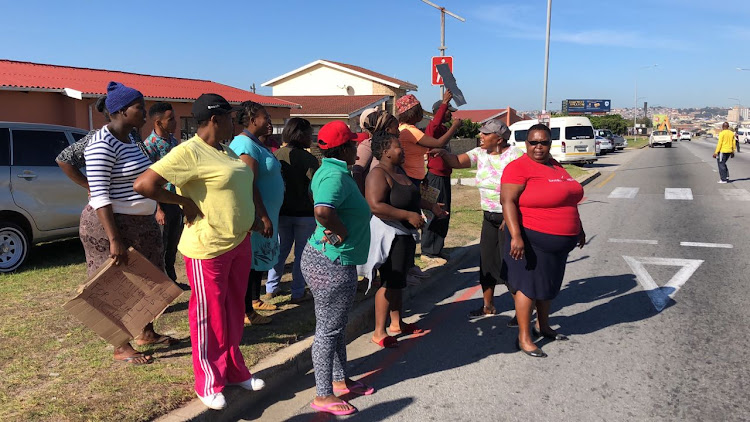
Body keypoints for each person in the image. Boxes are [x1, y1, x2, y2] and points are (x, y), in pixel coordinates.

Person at [134, 93, 265, 410]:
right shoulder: (189, 151)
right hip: (208, 248)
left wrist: (255, 216)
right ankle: (208, 381)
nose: (235, 124)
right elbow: (145, 184)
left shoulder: (224, 150)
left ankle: (234, 370)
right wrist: (183, 202)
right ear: (216, 120)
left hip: (238, 242)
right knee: (208, 317)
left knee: (233, 312)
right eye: (231, 119)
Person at [80, 82, 176, 365]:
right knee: (115, 283)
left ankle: (145, 331)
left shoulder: (130, 140)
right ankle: (121, 345)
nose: (145, 114)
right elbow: (99, 196)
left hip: (140, 222)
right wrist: (114, 239)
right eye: (140, 108)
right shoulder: (101, 144)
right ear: (121, 110)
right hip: (110, 225)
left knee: (149, 277)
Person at [301, 120, 373, 416]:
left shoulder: (332, 170)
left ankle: (340, 380)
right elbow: (322, 210)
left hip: (330, 258)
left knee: (336, 325)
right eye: (354, 142)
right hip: (331, 261)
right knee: (328, 331)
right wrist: (340, 230)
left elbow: (319, 203)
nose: (358, 146)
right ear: (345, 147)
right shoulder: (335, 175)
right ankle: (323, 394)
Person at [500, 123, 586, 358]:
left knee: (548, 286)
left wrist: (579, 227)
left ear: (550, 143)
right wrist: (516, 236)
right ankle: (524, 338)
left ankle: (543, 326)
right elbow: (507, 202)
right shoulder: (517, 168)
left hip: (560, 243)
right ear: (525, 143)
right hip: (530, 239)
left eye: (544, 142)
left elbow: (569, 199)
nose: (538, 147)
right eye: (533, 142)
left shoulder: (555, 165)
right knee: (528, 288)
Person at [431, 119, 524, 318]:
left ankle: (521, 312)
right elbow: (457, 162)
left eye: (485, 134)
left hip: (510, 218)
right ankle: (488, 306)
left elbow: (526, 186)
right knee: (487, 262)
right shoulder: (480, 153)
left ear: (498, 139)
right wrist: (444, 154)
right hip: (488, 217)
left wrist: (512, 216)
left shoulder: (516, 155)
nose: (480, 136)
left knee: (510, 264)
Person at [365, 131, 447, 348]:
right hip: (390, 236)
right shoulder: (378, 174)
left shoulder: (398, 170)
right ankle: (379, 332)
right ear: (385, 152)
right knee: (389, 281)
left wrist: (431, 207)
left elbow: (412, 197)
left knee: (399, 281)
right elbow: (375, 205)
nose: (402, 149)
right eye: (398, 146)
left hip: (405, 235)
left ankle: (396, 323)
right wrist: (408, 216)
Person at [229, 101, 284, 324]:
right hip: (257, 217)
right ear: (252, 120)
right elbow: (248, 184)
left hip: (266, 214)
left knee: (256, 261)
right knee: (249, 263)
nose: (269, 121)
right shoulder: (245, 145)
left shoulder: (256, 144)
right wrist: (261, 216)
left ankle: (252, 302)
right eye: (265, 117)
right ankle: (246, 312)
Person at [265, 118, 319, 304]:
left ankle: (271, 287)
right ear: (301, 135)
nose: (311, 137)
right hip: (305, 213)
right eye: (309, 133)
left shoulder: (275, 155)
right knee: (302, 255)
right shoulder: (309, 159)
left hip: (281, 211)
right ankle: (297, 291)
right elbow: (314, 188)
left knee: (280, 250)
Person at [143, 102, 183, 284]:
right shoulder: (149, 146)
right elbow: (148, 181)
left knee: (174, 243)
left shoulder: (174, 142)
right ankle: (162, 283)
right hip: (161, 203)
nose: (175, 122)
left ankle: (173, 279)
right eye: (171, 119)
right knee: (161, 244)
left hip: (176, 200)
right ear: (158, 122)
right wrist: (158, 209)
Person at [421, 90, 459, 264]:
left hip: (444, 176)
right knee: (433, 212)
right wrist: (444, 103)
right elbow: (433, 126)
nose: (450, 114)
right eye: (447, 111)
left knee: (444, 213)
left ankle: (437, 249)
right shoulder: (433, 128)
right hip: (434, 176)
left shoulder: (443, 129)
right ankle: (428, 251)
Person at [395, 94, 461, 186]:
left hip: (413, 176)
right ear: (414, 112)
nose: (422, 112)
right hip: (411, 178)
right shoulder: (411, 131)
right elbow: (439, 143)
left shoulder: (403, 128)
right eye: (419, 109)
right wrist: (454, 126)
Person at [352, 108, 400, 194]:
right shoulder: (368, 145)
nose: (399, 131)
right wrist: (362, 196)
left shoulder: (392, 147)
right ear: (387, 130)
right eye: (396, 128)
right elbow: (357, 172)